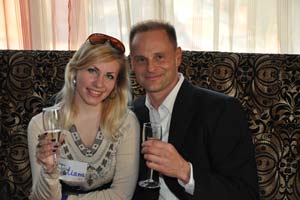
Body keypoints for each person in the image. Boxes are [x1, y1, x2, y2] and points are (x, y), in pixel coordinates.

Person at [129, 20, 259, 200]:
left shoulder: (222, 111)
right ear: (132, 64)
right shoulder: (131, 113)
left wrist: (184, 171)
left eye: (159, 57)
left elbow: (245, 194)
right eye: (141, 59)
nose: (150, 68)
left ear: (178, 56)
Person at [27, 33, 140, 200]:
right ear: (74, 72)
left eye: (109, 76)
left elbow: (122, 195)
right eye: (92, 70)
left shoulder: (127, 123)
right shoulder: (41, 125)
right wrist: (50, 171)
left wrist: (65, 199)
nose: (99, 83)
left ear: (116, 85)